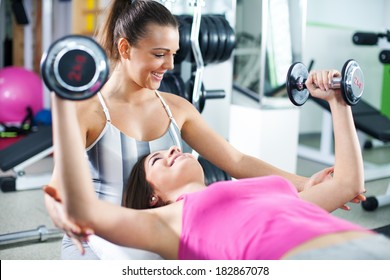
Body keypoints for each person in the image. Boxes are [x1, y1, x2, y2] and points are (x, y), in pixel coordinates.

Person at [44, 0, 364, 259]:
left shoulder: (176, 107)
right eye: (159, 54)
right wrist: (64, 213)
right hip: (98, 238)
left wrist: (305, 183)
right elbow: (59, 188)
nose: (169, 65)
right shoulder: (87, 109)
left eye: (173, 54)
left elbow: (236, 162)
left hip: (170, 231)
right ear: (125, 49)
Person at [45, 69, 389, 260]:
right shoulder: (165, 222)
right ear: (153, 197)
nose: (170, 151)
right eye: (157, 160)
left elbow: (347, 185)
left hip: (364, 243)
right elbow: (84, 209)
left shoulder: (258, 191)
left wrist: (338, 102)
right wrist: (65, 104)